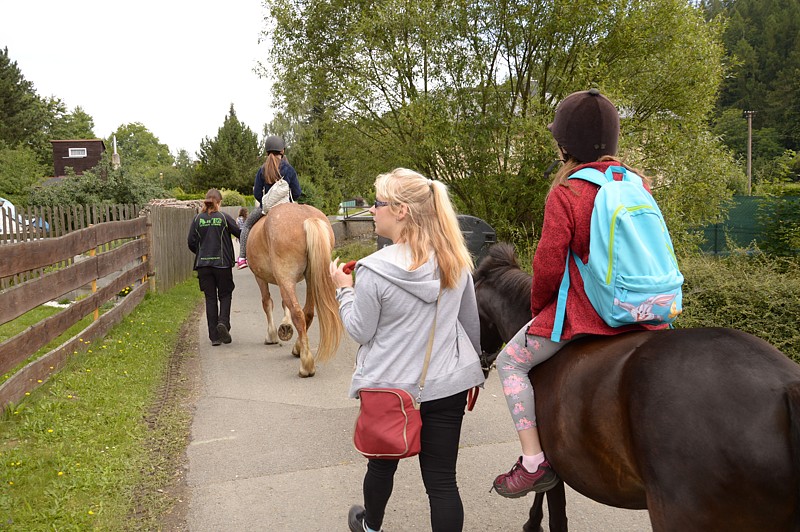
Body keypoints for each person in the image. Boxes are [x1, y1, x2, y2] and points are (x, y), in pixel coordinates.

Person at [491, 89, 671, 499]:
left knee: (510, 363)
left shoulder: (568, 192)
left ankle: (533, 462)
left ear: (564, 143)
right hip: (647, 309)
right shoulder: (637, 184)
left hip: (589, 313)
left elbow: (549, 265)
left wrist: (540, 310)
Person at [330, 168, 486, 532]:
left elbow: (359, 330)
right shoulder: (455, 260)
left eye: (379, 203)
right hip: (447, 383)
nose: (372, 209)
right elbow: (469, 323)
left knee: (381, 465)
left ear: (401, 211)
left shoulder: (373, 270)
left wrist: (344, 289)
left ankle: (370, 526)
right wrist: (473, 371)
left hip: (390, 388)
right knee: (443, 482)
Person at [236, 136, 301, 269]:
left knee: (247, 225)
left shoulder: (262, 169)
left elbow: (257, 193)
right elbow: (297, 193)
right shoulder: (289, 169)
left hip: (267, 208)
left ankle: (242, 257)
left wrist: (265, 204)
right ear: (282, 151)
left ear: (267, 151)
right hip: (287, 205)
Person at [187, 189, 241, 346]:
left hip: (203, 265)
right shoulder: (224, 218)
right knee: (225, 295)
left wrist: (201, 252)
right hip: (222, 264)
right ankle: (223, 323)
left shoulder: (197, 219)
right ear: (218, 202)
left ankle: (214, 337)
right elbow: (239, 233)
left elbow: (191, 242)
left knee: (210, 298)